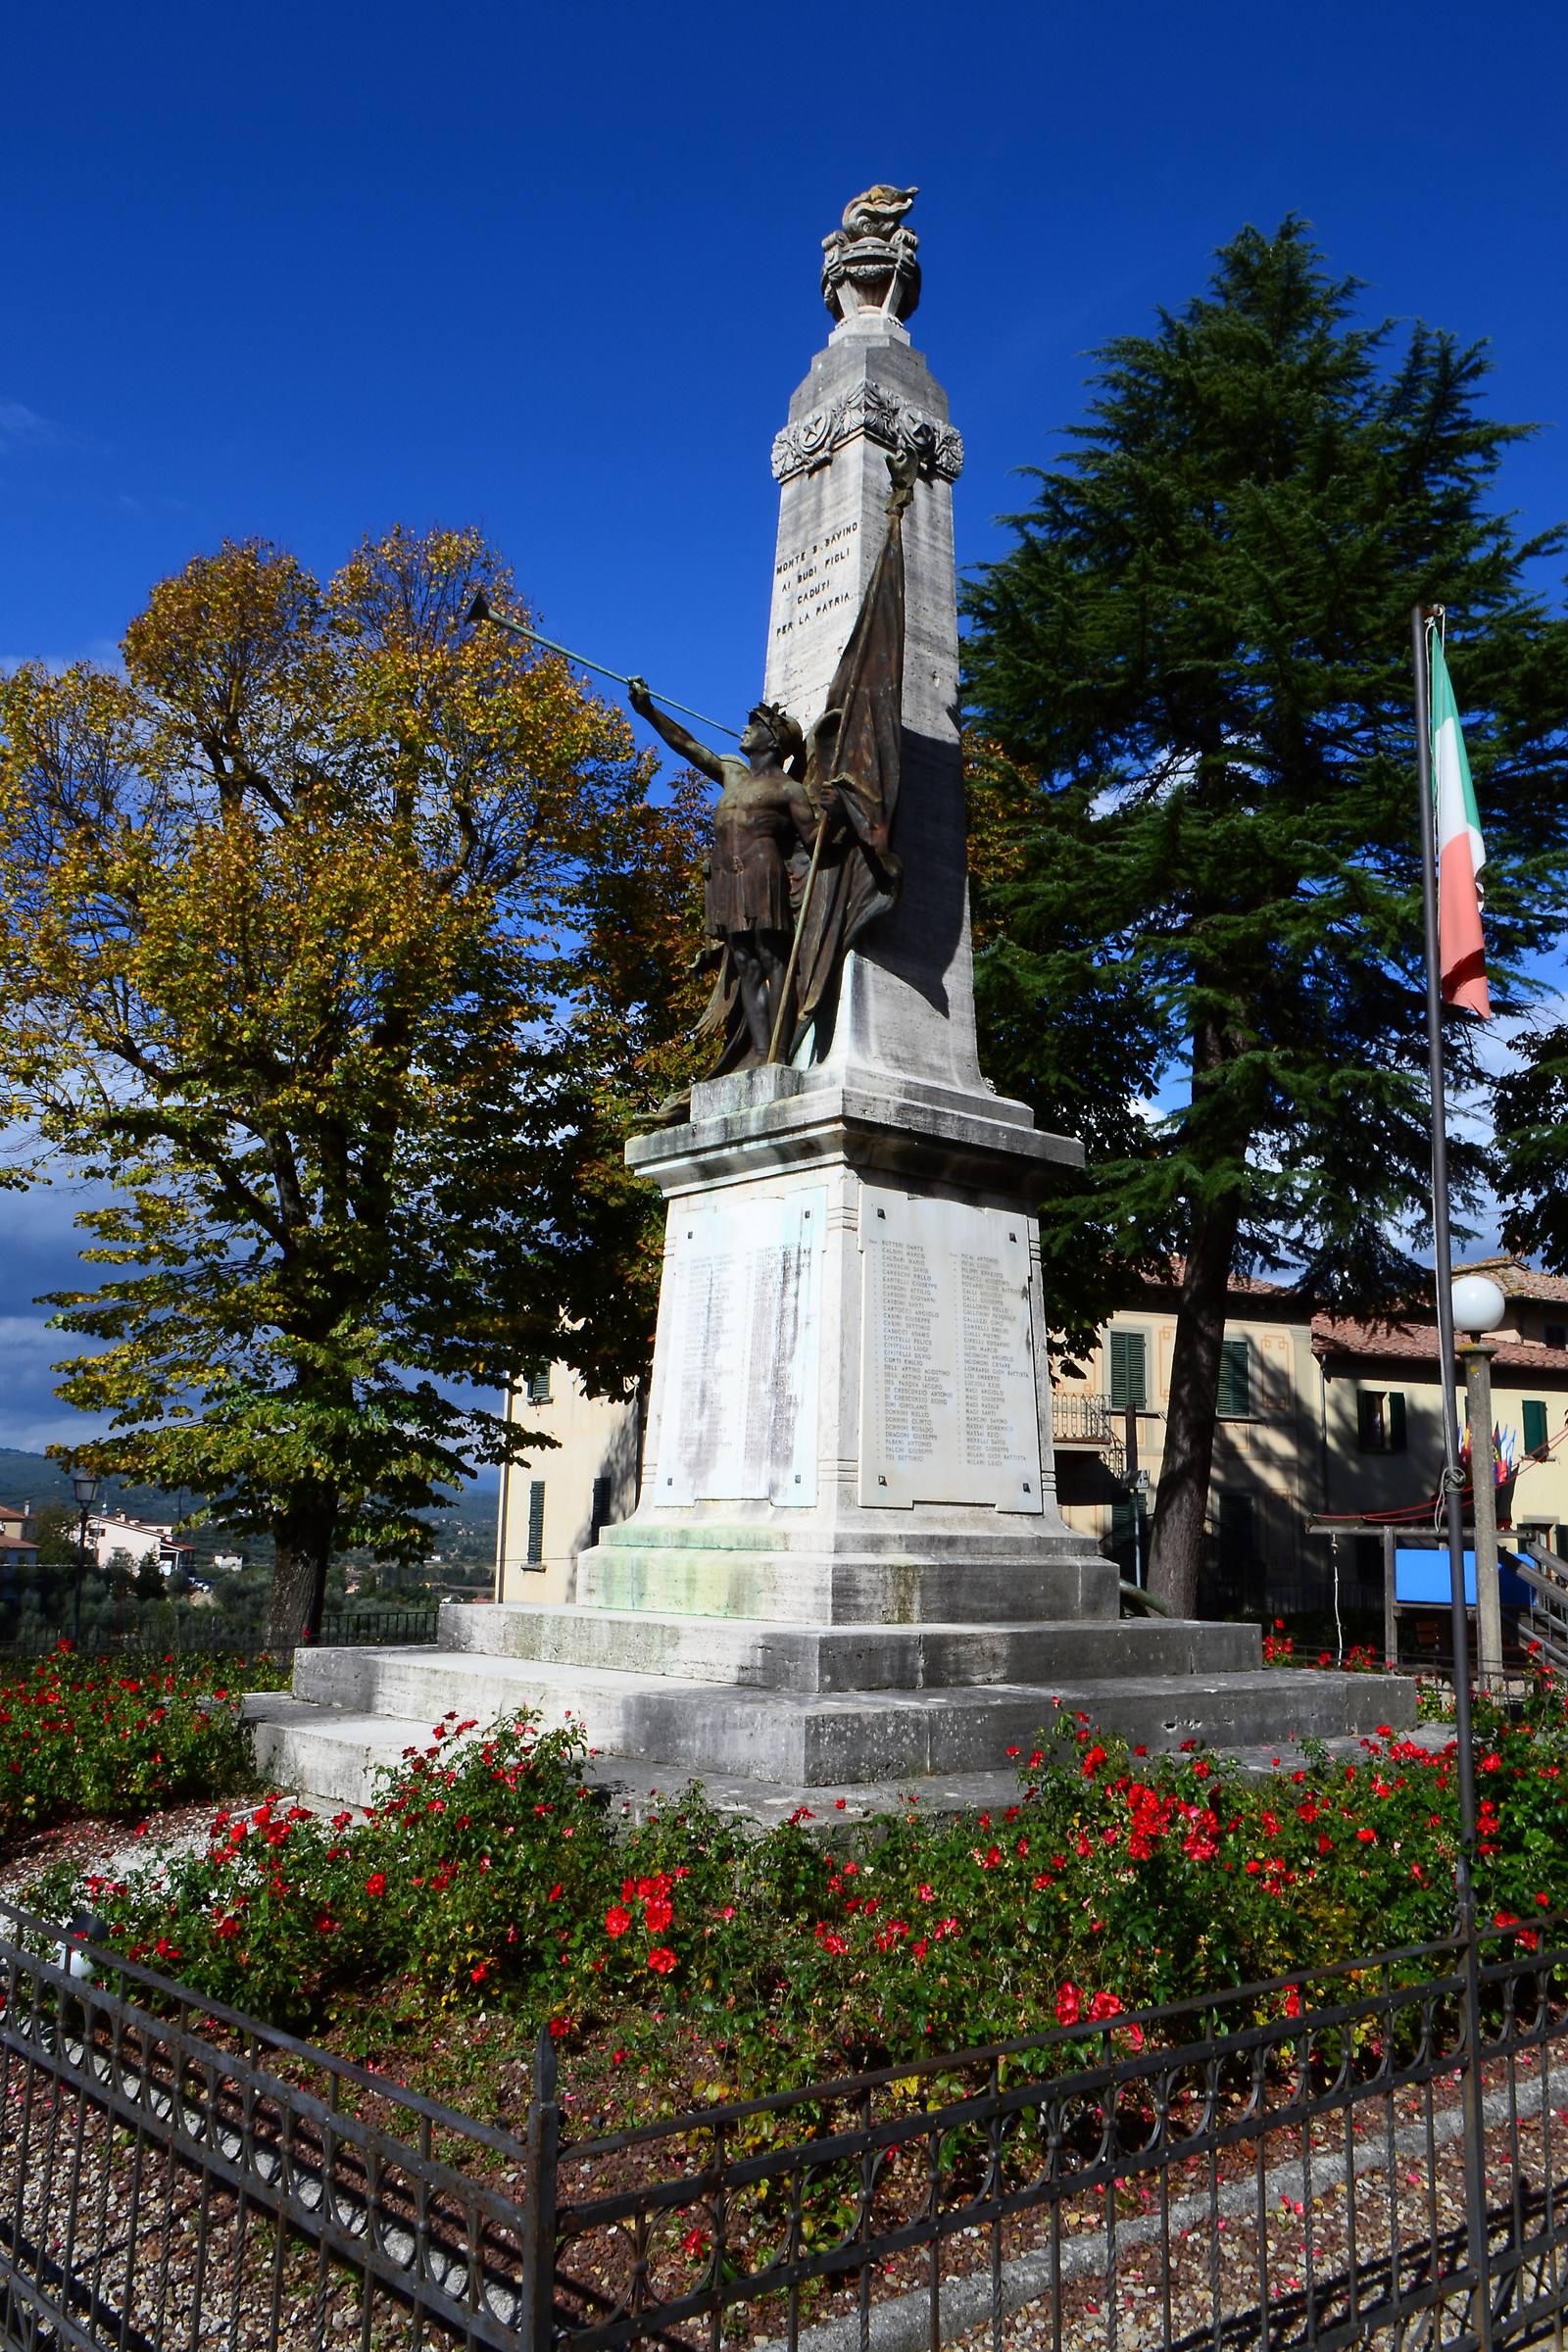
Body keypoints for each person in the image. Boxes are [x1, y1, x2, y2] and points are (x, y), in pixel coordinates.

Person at [625, 682, 842, 1066]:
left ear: (772, 741)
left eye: (754, 725)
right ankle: (760, 1050)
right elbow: (689, 746)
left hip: (765, 874)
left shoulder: (789, 790)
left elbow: (815, 842)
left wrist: (834, 814)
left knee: (773, 960)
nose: (745, 729)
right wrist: (649, 711)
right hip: (727, 877)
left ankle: (775, 1051)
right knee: (745, 963)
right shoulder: (732, 773)